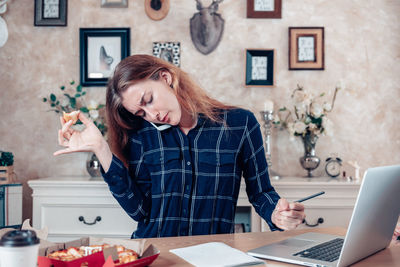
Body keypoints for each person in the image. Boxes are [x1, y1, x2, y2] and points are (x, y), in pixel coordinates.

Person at [54, 54, 305, 238]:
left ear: (166, 78)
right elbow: (141, 212)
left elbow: (261, 193)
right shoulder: (141, 136)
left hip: (214, 255)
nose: (151, 115)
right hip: (156, 255)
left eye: (148, 100)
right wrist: (102, 149)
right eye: (140, 112)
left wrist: (277, 214)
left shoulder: (240, 124)